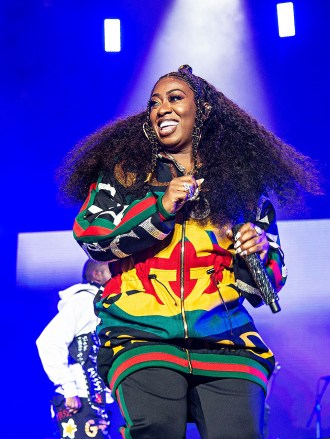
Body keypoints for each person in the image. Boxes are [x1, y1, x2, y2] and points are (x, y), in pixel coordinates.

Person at [57, 65, 321, 438]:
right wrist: (161, 206)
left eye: (175, 98)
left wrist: (258, 252)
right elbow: (93, 238)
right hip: (141, 335)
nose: (162, 108)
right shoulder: (126, 176)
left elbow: (269, 290)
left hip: (227, 340)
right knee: (157, 428)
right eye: (154, 103)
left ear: (203, 111)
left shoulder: (240, 186)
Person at [36, 260, 113, 439]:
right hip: (78, 398)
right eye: (111, 269)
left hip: (99, 400)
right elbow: (49, 341)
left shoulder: (104, 304)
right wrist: (69, 388)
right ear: (97, 275)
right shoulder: (83, 301)